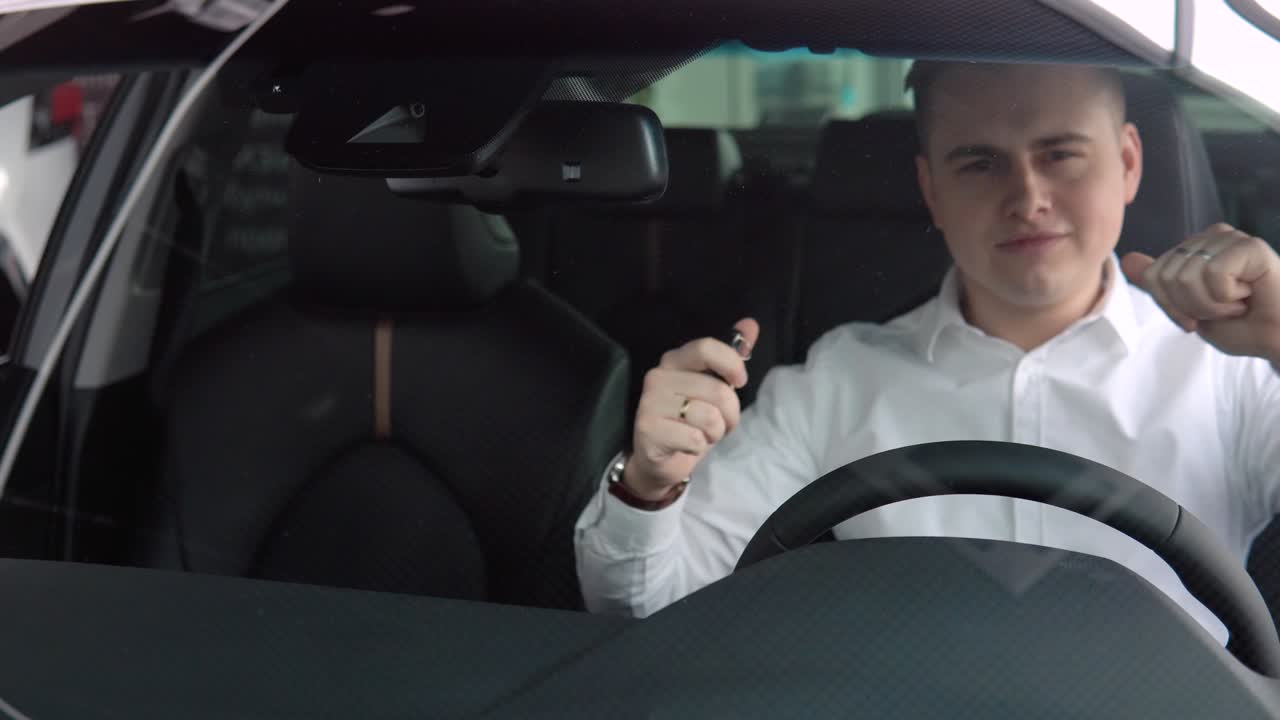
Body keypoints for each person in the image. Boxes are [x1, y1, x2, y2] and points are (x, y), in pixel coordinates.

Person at [573, 61, 1280, 644]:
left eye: (1060, 153)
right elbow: (650, 609)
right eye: (980, 163)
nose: (1027, 196)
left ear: (1127, 164)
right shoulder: (839, 380)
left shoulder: (1236, 370)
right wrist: (650, 484)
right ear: (931, 190)